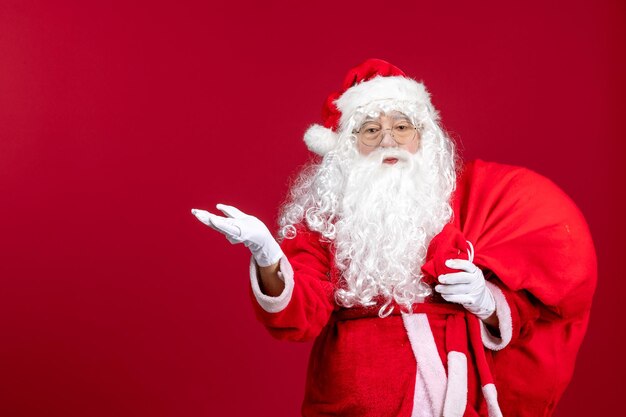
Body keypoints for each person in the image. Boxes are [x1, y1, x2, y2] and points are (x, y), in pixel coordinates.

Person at [191, 59, 596, 417]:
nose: (388, 140)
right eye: (370, 129)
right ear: (348, 146)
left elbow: (531, 300)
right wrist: (267, 256)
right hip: (354, 401)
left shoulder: (466, 201)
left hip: (454, 398)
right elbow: (299, 315)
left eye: (401, 126)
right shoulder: (325, 219)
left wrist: (486, 300)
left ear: (424, 136)